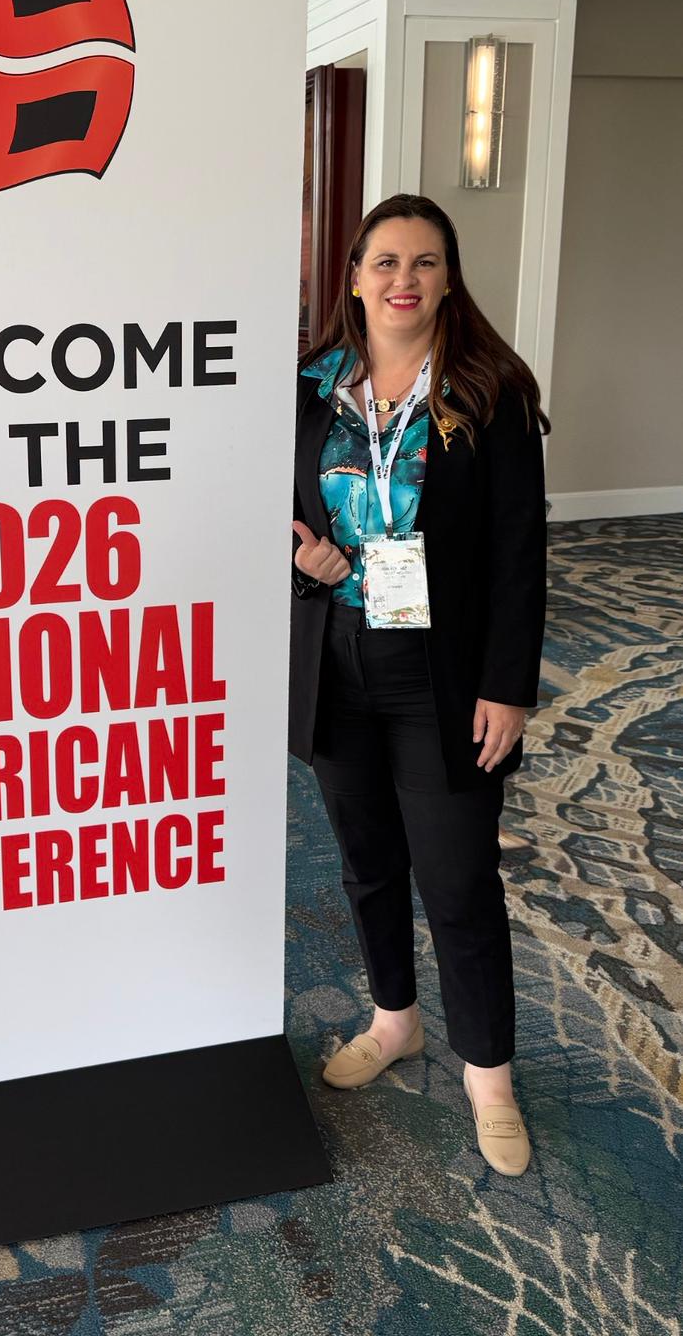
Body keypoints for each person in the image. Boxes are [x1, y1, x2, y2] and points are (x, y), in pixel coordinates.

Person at [290, 193, 548, 1176]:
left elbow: (516, 553)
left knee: (456, 879)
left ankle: (487, 1074)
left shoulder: (485, 391)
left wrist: (506, 683)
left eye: (424, 262)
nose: (403, 279)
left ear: (447, 277)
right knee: (364, 861)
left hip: (440, 671)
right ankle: (392, 1018)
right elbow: (280, 516)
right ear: (352, 275)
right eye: (384, 261)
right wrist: (300, 566)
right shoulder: (310, 389)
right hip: (336, 659)